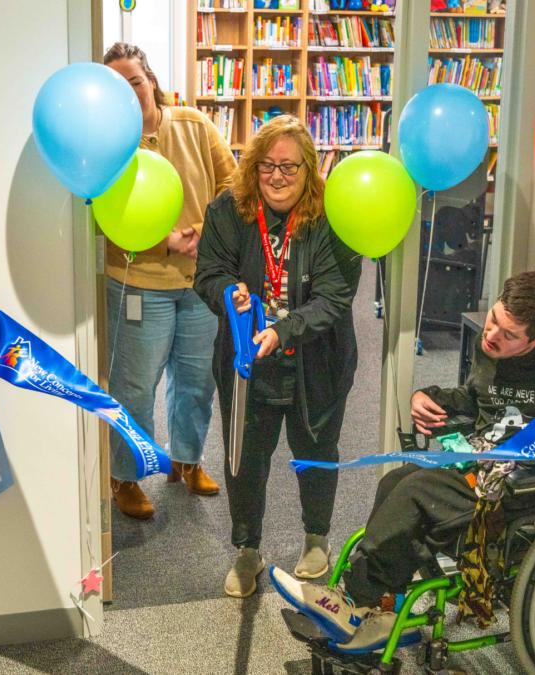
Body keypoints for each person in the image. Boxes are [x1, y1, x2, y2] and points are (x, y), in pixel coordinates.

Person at [271, 271, 535, 652]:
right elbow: (477, 398)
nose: (491, 335)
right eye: (494, 319)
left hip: (521, 484)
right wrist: (427, 396)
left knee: (416, 492)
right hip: (476, 461)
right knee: (395, 481)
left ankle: (354, 599)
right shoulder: (488, 345)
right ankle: (383, 608)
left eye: (509, 335)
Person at [194, 115, 361, 597]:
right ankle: (247, 549)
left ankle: (316, 538)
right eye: (267, 165)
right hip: (247, 361)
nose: (277, 177)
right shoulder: (229, 208)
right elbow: (208, 271)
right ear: (252, 167)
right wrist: (232, 294)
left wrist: (282, 330)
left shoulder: (333, 214)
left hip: (317, 361)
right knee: (245, 460)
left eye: (289, 167)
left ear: (308, 170)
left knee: (315, 451)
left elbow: (333, 297)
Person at [102, 43, 238, 519]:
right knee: (135, 386)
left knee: (197, 380)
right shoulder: (106, 145)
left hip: (200, 281)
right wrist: (162, 243)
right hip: (138, 282)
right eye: (116, 86)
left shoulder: (194, 125)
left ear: (151, 81)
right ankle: (124, 475)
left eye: (135, 81)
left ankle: (186, 459)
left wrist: (204, 231)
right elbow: (100, 222)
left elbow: (233, 184)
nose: (129, 92)